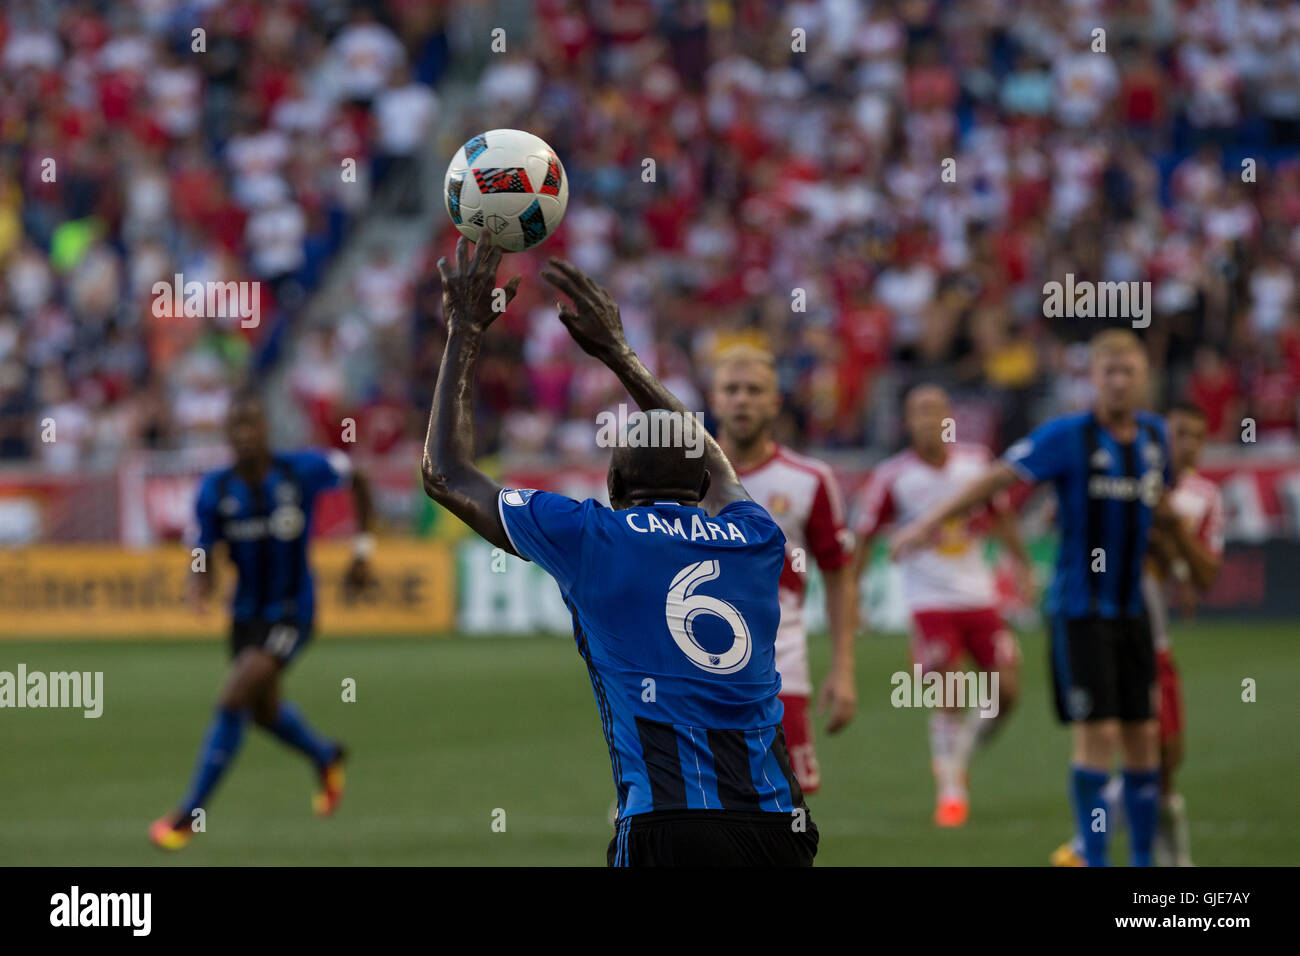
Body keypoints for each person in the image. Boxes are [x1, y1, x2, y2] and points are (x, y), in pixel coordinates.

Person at [421, 238, 817, 865]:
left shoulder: (593, 536)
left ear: (614, 487)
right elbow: (712, 461)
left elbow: (446, 473)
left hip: (669, 824)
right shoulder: (757, 538)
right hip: (778, 823)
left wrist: (464, 331)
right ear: (701, 487)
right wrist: (618, 353)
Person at [891, 330, 1203, 866]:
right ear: (1092, 379)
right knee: (1097, 736)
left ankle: (1146, 863)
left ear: (1143, 378)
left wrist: (1180, 566)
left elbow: (1160, 511)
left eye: (1128, 371)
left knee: (1145, 741)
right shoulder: (1066, 435)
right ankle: (1097, 858)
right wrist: (929, 522)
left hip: (1135, 614)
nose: (1119, 381)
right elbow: (997, 480)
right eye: (1109, 372)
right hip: (1081, 613)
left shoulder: (1154, 438)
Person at [149, 393, 376, 850]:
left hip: (293, 611)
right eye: (237, 427)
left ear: (266, 428)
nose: (245, 435)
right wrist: (199, 583)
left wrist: (362, 549)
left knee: (233, 695)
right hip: (245, 617)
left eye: (252, 424)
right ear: (228, 435)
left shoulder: (301, 470)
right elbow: (201, 548)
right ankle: (325, 755)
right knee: (263, 712)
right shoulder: (214, 489)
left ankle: (188, 815)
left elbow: (358, 478)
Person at [1051, 400, 1224, 866]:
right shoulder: (1123, 479)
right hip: (1109, 627)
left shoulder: (1203, 497)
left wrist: (1173, 531)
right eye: (1176, 433)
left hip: (1154, 640)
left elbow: (1206, 576)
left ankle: (1104, 849)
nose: (1182, 443)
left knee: (1166, 760)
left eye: (1193, 435)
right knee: (1109, 742)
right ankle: (1094, 849)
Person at [854, 384, 1031, 826]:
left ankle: (959, 756)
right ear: (907, 421)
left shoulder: (976, 465)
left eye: (935, 410)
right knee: (950, 690)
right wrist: (853, 594)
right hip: (929, 601)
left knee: (1006, 693)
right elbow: (864, 536)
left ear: (949, 416)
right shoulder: (893, 476)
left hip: (979, 596)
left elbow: (1004, 516)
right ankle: (950, 789)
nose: (928, 419)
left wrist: (1022, 566)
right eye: (918, 411)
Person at [708, 343, 858, 794]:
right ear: (714, 400)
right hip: (695, 666)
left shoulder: (809, 480)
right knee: (698, 801)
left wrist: (843, 668)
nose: (741, 399)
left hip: (780, 666)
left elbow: (837, 574)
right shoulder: (682, 477)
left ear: (775, 402)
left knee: (786, 800)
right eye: (731, 389)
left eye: (754, 390)